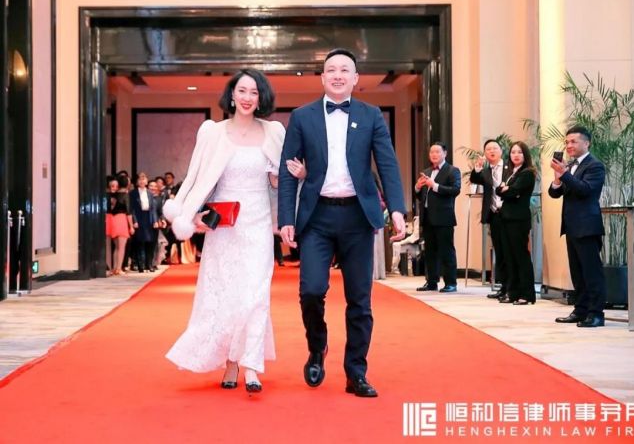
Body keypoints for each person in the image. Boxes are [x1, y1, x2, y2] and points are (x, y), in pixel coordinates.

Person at [278, 48, 407, 398]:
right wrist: (285, 218)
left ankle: (356, 372)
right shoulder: (302, 117)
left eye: (344, 70)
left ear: (355, 79)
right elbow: (287, 172)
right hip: (316, 217)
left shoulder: (371, 115)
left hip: (357, 217)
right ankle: (317, 347)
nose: (337, 75)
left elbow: (388, 164)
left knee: (359, 300)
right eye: (331, 70)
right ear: (322, 77)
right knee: (310, 291)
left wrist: (397, 209)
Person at [164, 69, 287, 394]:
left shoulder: (274, 132)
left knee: (255, 295)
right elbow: (198, 179)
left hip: (258, 225)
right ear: (231, 95)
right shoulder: (213, 133)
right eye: (242, 91)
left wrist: (283, 179)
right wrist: (193, 215)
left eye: (254, 92)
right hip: (225, 227)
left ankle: (251, 366)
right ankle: (230, 362)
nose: (247, 98)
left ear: (261, 98)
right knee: (228, 294)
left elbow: (281, 183)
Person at [549, 125, 606, 328]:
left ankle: (596, 313)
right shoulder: (571, 166)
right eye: (567, 142)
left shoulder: (595, 165)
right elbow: (554, 193)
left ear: (586, 143)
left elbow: (585, 190)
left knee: (591, 272)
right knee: (577, 273)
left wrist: (564, 174)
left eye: (574, 141)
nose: (569, 145)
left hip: (587, 226)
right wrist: (557, 179)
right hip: (572, 226)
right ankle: (580, 310)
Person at [414, 142, 461, 293]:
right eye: (431, 152)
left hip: (444, 217)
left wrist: (434, 186)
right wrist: (417, 187)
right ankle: (431, 282)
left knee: (447, 251)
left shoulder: (452, 170)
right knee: (430, 252)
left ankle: (451, 283)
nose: (434, 154)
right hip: (427, 217)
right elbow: (421, 196)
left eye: (437, 152)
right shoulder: (426, 171)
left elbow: (455, 190)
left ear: (445, 153)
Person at [495, 141, 537, 305]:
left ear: (525, 155)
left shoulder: (527, 173)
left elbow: (513, 192)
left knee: (520, 256)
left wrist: (507, 190)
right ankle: (512, 292)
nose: (516, 155)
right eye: (513, 152)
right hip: (506, 218)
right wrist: (504, 190)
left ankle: (527, 294)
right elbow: (499, 190)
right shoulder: (511, 173)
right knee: (509, 257)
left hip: (518, 219)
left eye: (519, 152)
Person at [469, 139, 510, 300]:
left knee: (508, 251)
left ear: (501, 151)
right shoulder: (485, 171)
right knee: (499, 251)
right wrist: (477, 168)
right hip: (494, 215)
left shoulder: (509, 168)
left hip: (508, 213)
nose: (492, 151)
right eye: (488, 149)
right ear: (485, 154)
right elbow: (474, 179)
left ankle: (512, 288)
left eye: (495, 148)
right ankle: (503, 287)